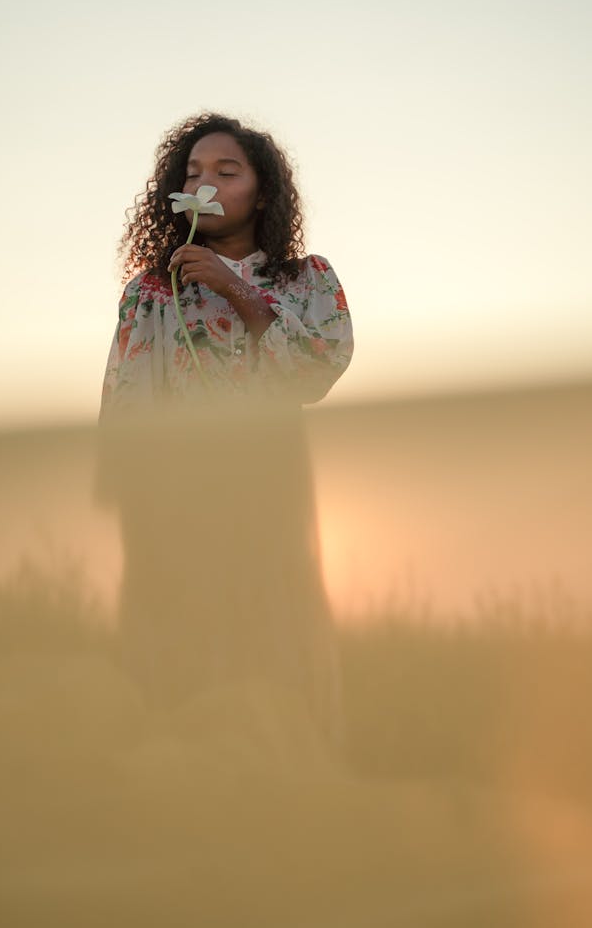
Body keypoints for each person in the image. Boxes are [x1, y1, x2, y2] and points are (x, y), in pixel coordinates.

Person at [95, 112, 353, 751]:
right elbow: (124, 406)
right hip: (177, 494)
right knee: (183, 639)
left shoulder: (305, 280)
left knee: (275, 633)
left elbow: (321, 366)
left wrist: (237, 290)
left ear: (262, 192)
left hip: (272, 487)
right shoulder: (153, 292)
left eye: (225, 171)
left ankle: (291, 788)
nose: (204, 183)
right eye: (192, 173)